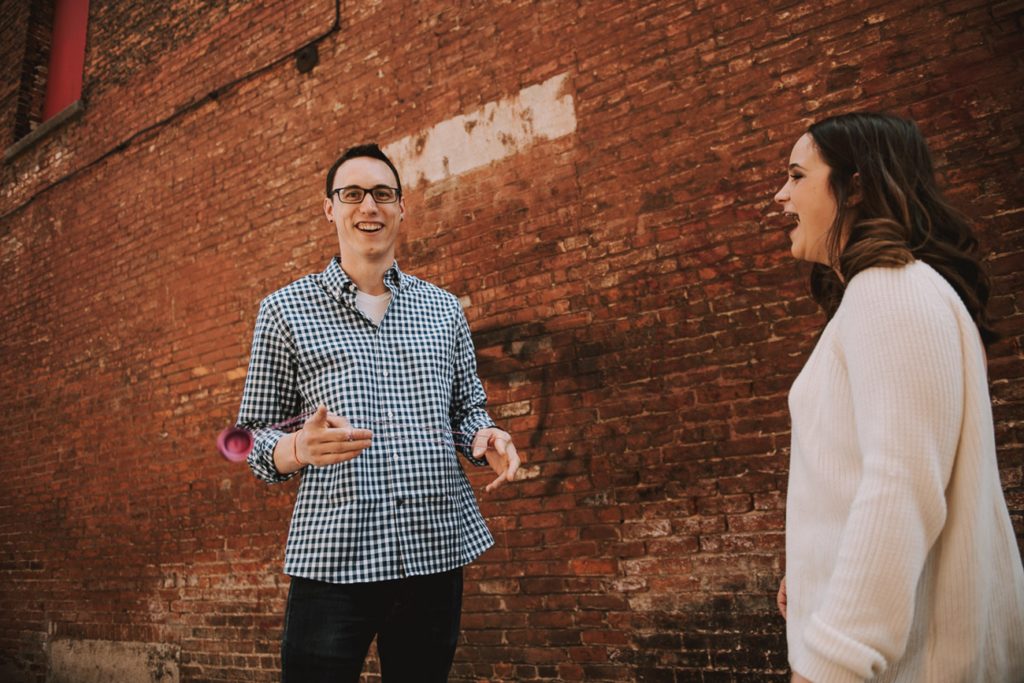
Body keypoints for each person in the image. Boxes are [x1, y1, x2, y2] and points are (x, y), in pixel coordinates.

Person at [235, 143, 521, 682]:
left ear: (401, 207)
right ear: (330, 208)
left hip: (433, 548)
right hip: (335, 556)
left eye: (383, 194)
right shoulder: (284, 310)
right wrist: (298, 448)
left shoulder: (442, 308)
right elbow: (251, 436)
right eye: (353, 194)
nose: (370, 206)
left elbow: (467, 409)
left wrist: (486, 436)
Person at [772, 112, 1024, 682]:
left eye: (797, 176)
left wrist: (830, 662)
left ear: (855, 187)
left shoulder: (892, 291)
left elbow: (901, 485)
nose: (781, 194)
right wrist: (814, 569)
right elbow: (866, 472)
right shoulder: (889, 295)